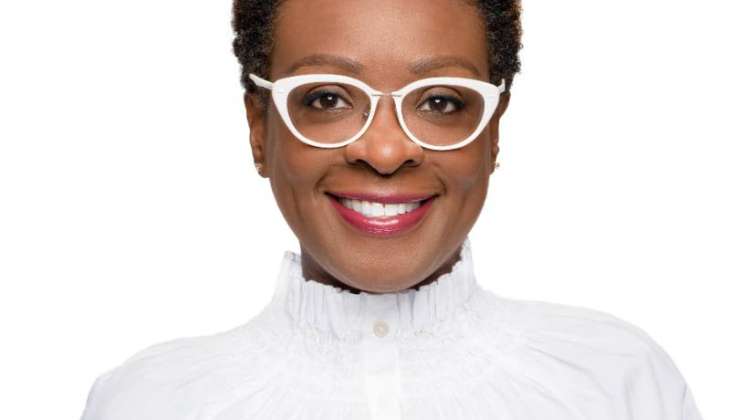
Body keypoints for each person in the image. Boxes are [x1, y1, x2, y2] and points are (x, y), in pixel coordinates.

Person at [80, 0, 702, 419]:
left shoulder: (616, 385)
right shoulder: (147, 403)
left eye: (439, 102)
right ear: (258, 128)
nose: (383, 150)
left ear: (493, 133)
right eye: (327, 98)